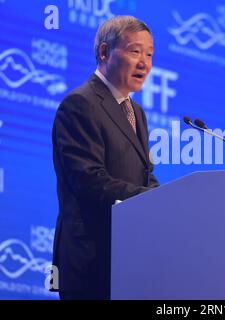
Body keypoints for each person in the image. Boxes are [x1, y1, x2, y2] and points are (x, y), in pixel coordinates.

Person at [51, 15, 159, 300]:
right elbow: (89, 180)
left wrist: (170, 199)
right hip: (90, 262)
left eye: (149, 54)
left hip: (127, 259)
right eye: (135, 51)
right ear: (104, 52)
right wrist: (151, 199)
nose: (144, 63)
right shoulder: (80, 104)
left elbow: (144, 175)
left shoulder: (136, 113)